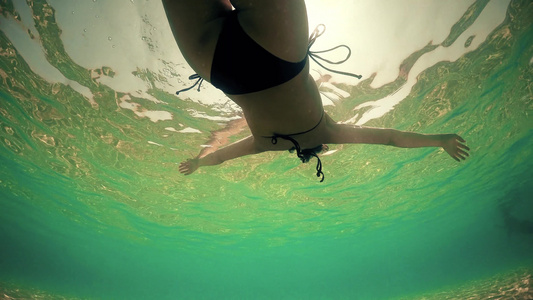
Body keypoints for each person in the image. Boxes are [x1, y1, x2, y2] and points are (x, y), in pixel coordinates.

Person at [162, 0, 470, 182]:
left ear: (321, 151)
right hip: (220, 67)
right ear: (299, 154)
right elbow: (220, 157)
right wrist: (198, 163)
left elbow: (389, 137)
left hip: (279, 52)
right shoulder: (264, 144)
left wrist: (439, 140)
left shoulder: (327, 131)